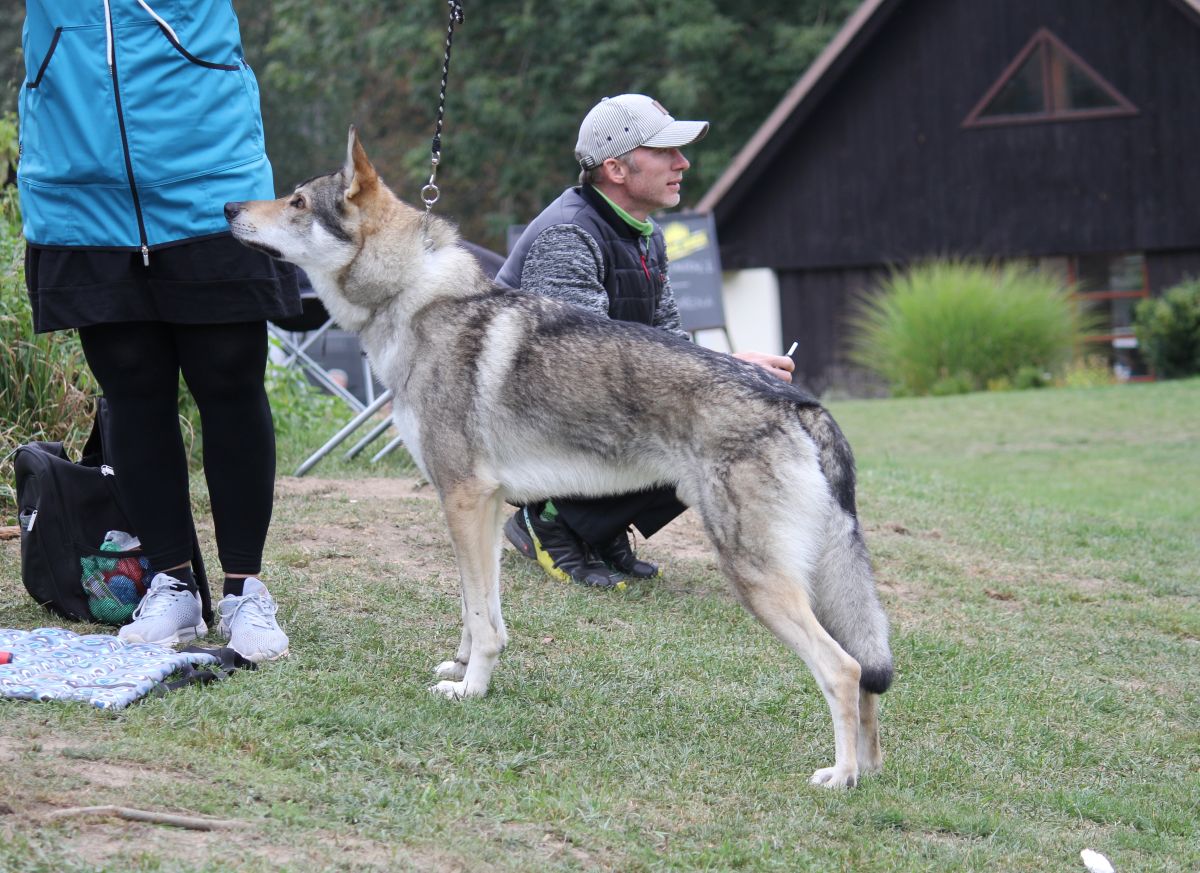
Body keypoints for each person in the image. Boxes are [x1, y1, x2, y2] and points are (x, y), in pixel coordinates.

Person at [17, 1, 297, 660]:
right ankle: (172, 584)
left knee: (229, 374)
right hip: (77, 177)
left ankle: (245, 590)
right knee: (132, 385)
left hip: (206, 165)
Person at [497, 93, 795, 589]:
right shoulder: (568, 234)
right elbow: (580, 367)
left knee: (735, 405)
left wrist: (734, 369)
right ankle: (547, 519)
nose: (684, 163)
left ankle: (598, 529)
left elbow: (667, 340)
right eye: (666, 151)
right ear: (616, 168)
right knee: (703, 417)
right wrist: (718, 375)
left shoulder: (647, 234)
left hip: (583, 406)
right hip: (529, 426)